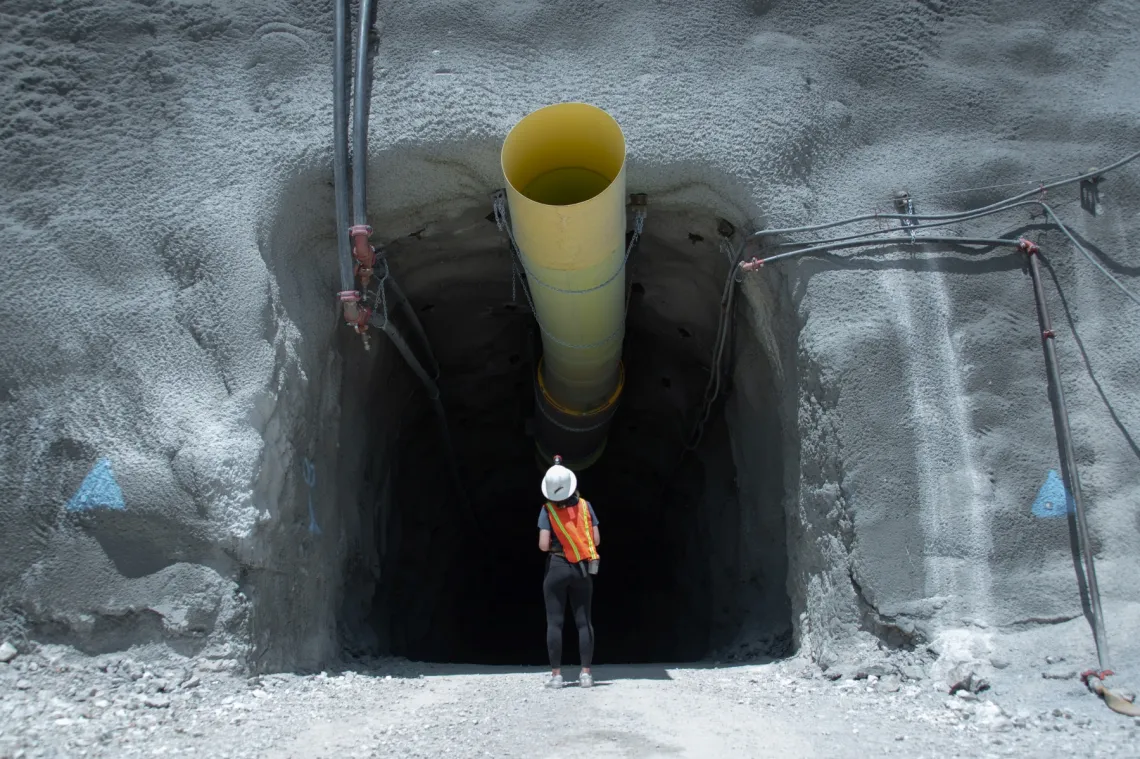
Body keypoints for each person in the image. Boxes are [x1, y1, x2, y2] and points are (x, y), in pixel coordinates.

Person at [536, 456, 600, 689]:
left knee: (555, 623)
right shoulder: (585, 506)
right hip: (582, 568)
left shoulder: (547, 510)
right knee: (584, 622)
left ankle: (556, 675)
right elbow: (596, 539)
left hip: (557, 567)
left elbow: (543, 545)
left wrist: (558, 544)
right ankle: (586, 674)